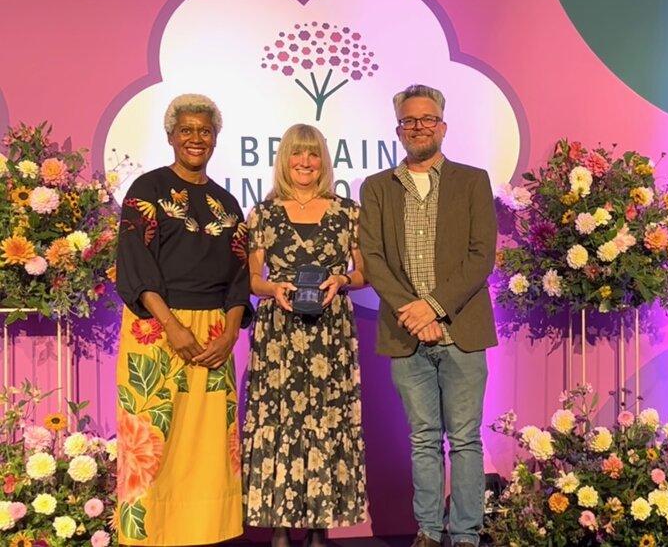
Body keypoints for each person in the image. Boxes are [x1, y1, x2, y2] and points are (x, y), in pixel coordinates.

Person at [359, 84, 498, 547]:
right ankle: (429, 531)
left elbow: (481, 256)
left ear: (443, 126)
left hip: (462, 331)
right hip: (406, 335)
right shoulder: (377, 187)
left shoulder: (472, 180)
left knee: (465, 440)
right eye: (410, 121)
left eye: (427, 119)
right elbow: (373, 258)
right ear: (399, 129)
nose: (419, 127)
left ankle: (466, 534)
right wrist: (414, 314)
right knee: (423, 439)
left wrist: (433, 307)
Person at [115, 93, 253, 546]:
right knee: (153, 439)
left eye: (204, 130)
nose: (196, 138)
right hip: (156, 326)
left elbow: (239, 277)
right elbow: (136, 265)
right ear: (171, 136)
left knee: (209, 445)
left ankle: (205, 534)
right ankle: (149, 536)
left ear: (215, 138)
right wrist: (171, 326)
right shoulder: (147, 190)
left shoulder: (227, 204)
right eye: (187, 130)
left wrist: (230, 333)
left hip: (213, 334)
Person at [242, 123, 367, 547]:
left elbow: (364, 273)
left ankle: (319, 526)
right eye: (297, 153)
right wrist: (272, 288)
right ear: (285, 159)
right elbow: (252, 279)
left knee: (327, 422)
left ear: (323, 161)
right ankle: (278, 526)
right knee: (279, 421)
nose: (305, 162)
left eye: (313, 154)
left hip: (330, 335)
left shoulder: (348, 211)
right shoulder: (263, 213)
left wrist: (342, 280)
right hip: (279, 334)